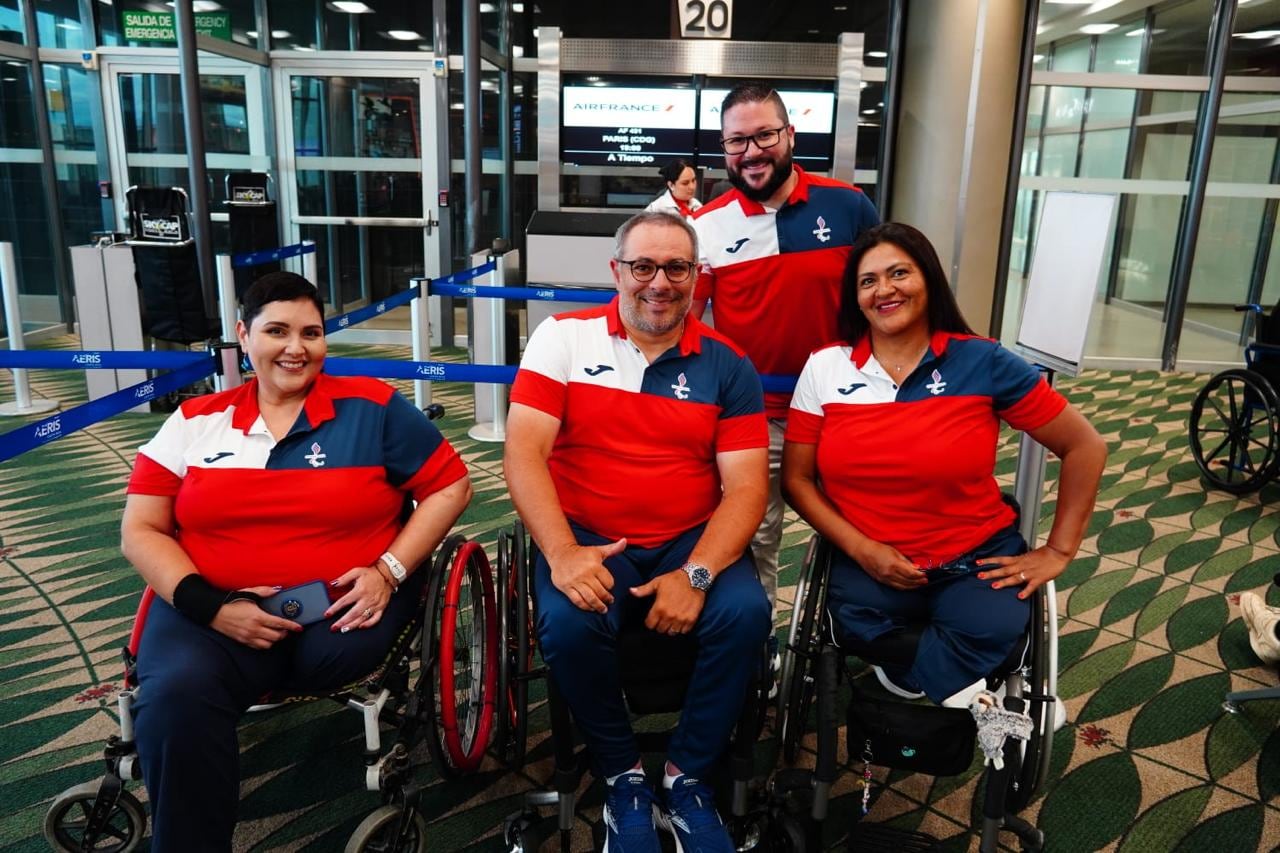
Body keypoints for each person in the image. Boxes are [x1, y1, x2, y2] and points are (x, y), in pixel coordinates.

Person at [121, 272, 472, 851]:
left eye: (311, 333)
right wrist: (213, 608)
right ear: (243, 334)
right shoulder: (193, 421)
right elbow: (141, 530)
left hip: (340, 610)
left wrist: (389, 570)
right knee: (175, 697)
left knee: (307, 658)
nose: (295, 347)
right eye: (277, 331)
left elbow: (450, 486)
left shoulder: (374, 407)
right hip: (210, 609)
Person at [504, 211, 771, 853]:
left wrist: (697, 574)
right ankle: (622, 774)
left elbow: (747, 490)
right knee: (568, 624)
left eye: (676, 267)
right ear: (616, 271)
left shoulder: (729, 364)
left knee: (747, 615)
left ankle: (687, 778)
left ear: (695, 276)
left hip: (689, 538)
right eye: (643, 267)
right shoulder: (561, 338)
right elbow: (522, 453)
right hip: (590, 533)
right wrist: (563, 553)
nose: (659, 283)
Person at [782, 222, 1106, 707]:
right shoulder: (826, 367)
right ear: (855, 297)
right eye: (868, 281)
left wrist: (1059, 551)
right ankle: (961, 689)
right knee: (856, 626)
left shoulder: (983, 361)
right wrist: (864, 549)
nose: (884, 290)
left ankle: (930, 683)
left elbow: (1086, 447)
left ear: (929, 280)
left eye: (899, 273)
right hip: (869, 556)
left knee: (993, 625)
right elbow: (797, 480)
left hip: (973, 553)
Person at [692, 83, 879, 608]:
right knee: (753, 537)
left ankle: (862, 630)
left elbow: (886, 300)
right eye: (736, 141)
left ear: (789, 135)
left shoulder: (847, 206)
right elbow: (686, 324)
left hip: (845, 408)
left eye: (764, 136)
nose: (751, 152)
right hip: (755, 416)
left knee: (864, 529)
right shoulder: (705, 226)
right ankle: (758, 651)